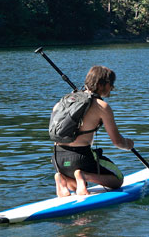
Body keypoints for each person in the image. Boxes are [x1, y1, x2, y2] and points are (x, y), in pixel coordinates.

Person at [52, 65, 134, 197]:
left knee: (76, 180)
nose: (112, 88)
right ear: (102, 84)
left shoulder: (62, 102)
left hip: (58, 158)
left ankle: (63, 180)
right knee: (118, 179)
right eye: (111, 84)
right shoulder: (102, 106)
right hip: (81, 158)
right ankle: (83, 175)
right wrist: (128, 144)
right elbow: (117, 142)